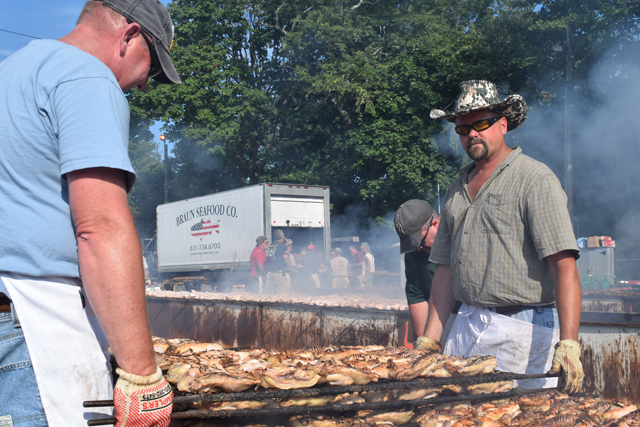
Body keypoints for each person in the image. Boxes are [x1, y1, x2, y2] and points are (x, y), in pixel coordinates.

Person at [0, 0, 180, 425]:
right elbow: (99, 228)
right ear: (130, 35)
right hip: (35, 330)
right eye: (152, 68)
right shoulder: (85, 76)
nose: (146, 84)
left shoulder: (13, 72)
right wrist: (140, 377)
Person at [423, 80, 583, 393]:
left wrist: (569, 344)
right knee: (455, 414)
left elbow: (564, 268)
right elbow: (444, 269)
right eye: (462, 128)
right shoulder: (457, 187)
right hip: (465, 322)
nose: (472, 134)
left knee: (519, 417)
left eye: (481, 123)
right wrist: (430, 340)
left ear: (503, 124)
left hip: (520, 328)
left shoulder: (534, 179)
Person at [394, 199, 441, 341]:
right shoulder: (415, 251)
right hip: (435, 324)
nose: (418, 248)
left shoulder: (460, 239)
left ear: (435, 224)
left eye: (420, 242)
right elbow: (416, 294)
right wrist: (422, 341)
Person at [266, 229, 291, 294]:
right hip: (279, 275)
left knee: (271, 297)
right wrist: (290, 267)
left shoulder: (271, 246)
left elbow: (277, 252)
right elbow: (285, 257)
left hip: (270, 274)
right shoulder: (282, 246)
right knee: (281, 297)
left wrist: (285, 246)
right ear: (282, 237)